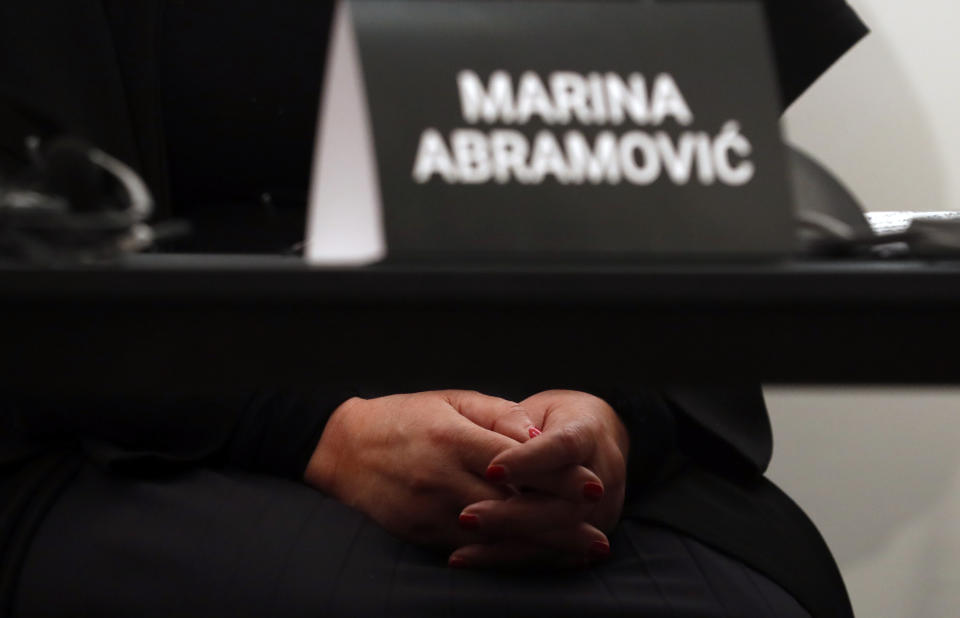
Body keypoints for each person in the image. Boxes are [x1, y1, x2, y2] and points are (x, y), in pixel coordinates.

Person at [0, 1, 868, 616]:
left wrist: (612, 421)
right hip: (151, 440)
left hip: (611, 473)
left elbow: (670, 170)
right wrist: (316, 433)